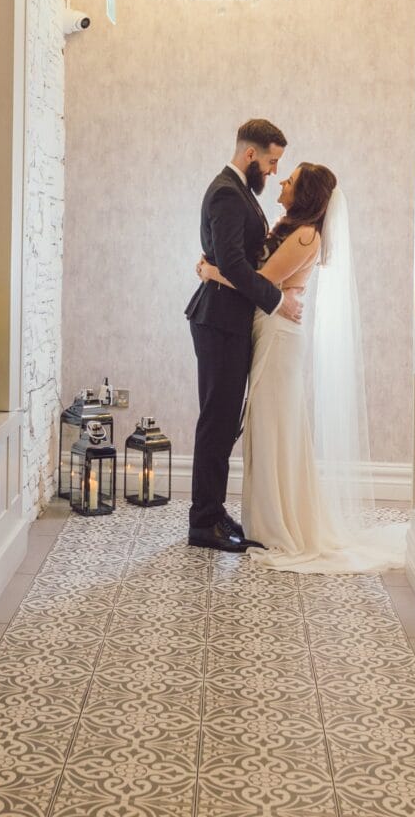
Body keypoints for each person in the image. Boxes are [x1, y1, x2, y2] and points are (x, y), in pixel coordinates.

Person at [196, 162, 406, 573]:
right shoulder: (291, 227)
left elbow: (258, 278)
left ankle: (280, 526)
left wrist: (210, 272)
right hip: (269, 328)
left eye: (289, 180)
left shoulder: (307, 235)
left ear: (305, 193)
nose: (282, 181)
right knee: (267, 424)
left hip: (278, 334)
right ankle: (268, 518)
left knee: (276, 425)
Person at [185, 119, 304, 553]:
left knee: (224, 421)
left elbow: (228, 258)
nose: (274, 171)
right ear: (250, 154)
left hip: (227, 319)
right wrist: (277, 301)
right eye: (272, 161)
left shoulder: (239, 193)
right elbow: (235, 265)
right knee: (217, 422)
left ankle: (213, 511)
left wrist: (209, 266)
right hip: (218, 321)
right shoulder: (226, 193)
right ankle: (203, 522)